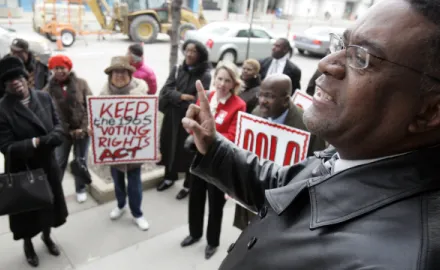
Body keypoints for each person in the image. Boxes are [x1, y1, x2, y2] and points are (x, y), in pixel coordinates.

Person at [181, 0, 440, 268]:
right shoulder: (355, 152)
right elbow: (281, 187)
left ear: (429, 111)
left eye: (362, 57)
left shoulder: (392, 260)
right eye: (342, 45)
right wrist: (213, 147)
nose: (327, 63)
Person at [232, 74, 327, 230]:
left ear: (285, 100)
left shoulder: (307, 126)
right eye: (260, 94)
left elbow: (317, 168)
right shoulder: (256, 114)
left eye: (269, 96)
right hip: (256, 200)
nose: (262, 100)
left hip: (284, 209)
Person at [0, 56, 68, 267]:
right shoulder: (2, 109)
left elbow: (57, 124)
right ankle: (28, 245)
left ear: (25, 77)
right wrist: (36, 142)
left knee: (49, 206)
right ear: (4, 84)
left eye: (18, 76)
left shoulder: (43, 97)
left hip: (47, 166)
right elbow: (6, 147)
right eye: (9, 79)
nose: (15, 81)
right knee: (27, 212)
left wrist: (56, 135)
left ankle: (47, 237)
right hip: (23, 170)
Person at [180, 61, 246, 260]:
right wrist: (193, 128)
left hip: (219, 163)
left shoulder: (239, 104)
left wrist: (205, 134)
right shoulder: (207, 97)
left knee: (215, 203)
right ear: (214, 78)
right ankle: (194, 233)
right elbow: (196, 124)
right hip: (199, 157)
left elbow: (233, 136)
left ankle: (212, 241)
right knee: (196, 198)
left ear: (234, 84)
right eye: (219, 78)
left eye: (227, 80)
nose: (222, 84)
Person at [157, 39, 211, 200]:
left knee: (188, 152)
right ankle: (169, 178)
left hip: (190, 120)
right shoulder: (176, 70)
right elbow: (165, 90)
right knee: (168, 146)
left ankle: (188, 185)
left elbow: (199, 100)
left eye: (193, 51)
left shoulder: (205, 75)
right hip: (172, 118)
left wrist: (182, 99)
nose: (189, 53)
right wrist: (180, 95)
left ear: (200, 54)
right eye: (187, 50)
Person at [100, 56, 150, 231]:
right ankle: (121, 205)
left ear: (129, 74)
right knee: (117, 181)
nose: (119, 75)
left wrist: (153, 147)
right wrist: (95, 130)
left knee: (135, 183)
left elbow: (148, 123)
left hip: (134, 149)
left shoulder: (141, 94)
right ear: (110, 75)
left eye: (123, 72)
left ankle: (137, 213)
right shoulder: (103, 96)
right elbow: (99, 122)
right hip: (114, 150)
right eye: (115, 72)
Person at [43, 54, 93, 204]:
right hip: (62, 134)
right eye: (55, 68)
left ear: (68, 68)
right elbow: (49, 114)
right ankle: (55, 191)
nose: (59, 71)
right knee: (59, 162)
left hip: (82, 133)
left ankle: (81, 189)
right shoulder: (47, 90)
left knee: (80, 161)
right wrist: (67, 131)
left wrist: (84, 128)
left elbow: (90, 106)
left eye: (62, 67)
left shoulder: (82, 84)